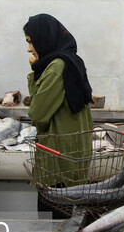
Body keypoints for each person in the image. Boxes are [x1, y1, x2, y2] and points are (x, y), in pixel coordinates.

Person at [24, 14, 94, 216]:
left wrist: (33, 74)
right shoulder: (71, 60)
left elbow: (37, 114)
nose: (29, 49)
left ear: (44, 38)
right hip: (73, 162)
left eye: (31, 41)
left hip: (57, 166)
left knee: (55, 229)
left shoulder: (55, 67)